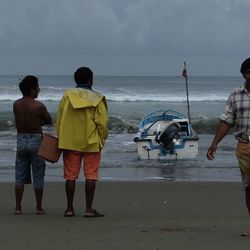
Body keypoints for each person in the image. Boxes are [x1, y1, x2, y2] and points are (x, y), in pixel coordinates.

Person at [56, 67, 108, 217]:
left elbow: (59, 118)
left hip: (70, 141)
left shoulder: (67, 95)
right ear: (91, 80)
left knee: (70, 176)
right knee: (91, 176)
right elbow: (102, 123)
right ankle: (88, 209)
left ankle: (69, 209)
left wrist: (61, 135)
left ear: (76, 80)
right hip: (91, 142)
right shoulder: (97, 98)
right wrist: (102, 138)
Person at [207, 57, 250, 236]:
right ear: (243, 74)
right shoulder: (235, 95)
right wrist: (214, 143)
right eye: (249, 72)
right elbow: (226, 121)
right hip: (245, 147)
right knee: (249, 188)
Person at [13, 75, 52, 214]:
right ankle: (39, 207)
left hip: (21, 140)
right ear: (32, 90)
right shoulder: (39, 105)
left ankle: (18, 207)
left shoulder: (16, 104)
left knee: (19, 175)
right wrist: (39, 122)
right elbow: (49, 120)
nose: (39, 90)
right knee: (38, 175)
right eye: (37, 87)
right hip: (35, 140)